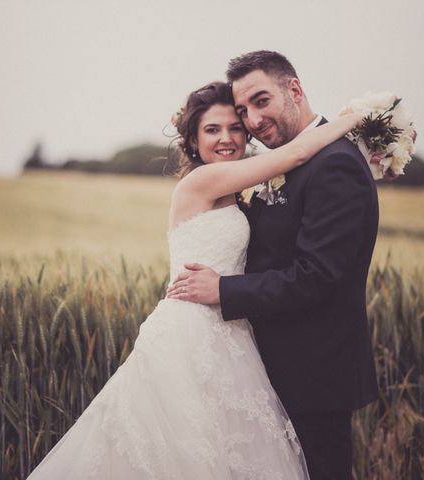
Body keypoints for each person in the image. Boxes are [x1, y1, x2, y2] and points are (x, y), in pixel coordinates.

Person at [27, 81, 363, 480]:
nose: (227, 138)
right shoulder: (201, 183)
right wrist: (360, 118)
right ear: (192, 140)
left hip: (232, 332)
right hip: (190, 335)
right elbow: (299, 151)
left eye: (235, 128)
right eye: (212, 130)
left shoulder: (237, 187)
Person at [167, 51, 380, 479]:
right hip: (244, 360)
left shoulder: (332, 162)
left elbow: (318, 275)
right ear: (193, 140)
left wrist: (223, 291)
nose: (249, 121)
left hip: (313, 375)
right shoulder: (262, 168)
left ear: (295, 90)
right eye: (241, 110)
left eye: (258, 103)